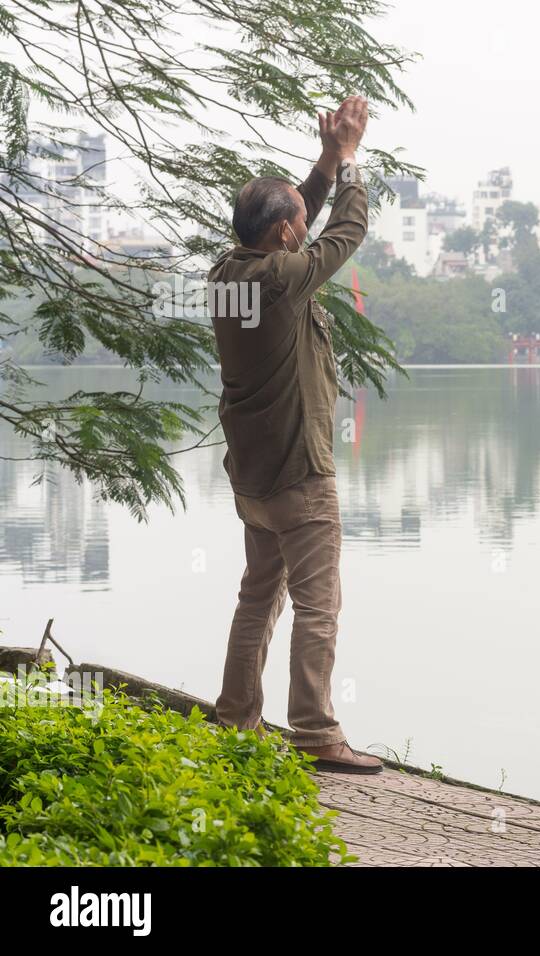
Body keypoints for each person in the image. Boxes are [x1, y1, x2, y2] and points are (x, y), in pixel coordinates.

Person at [207, 96, 380, 773]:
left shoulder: (228, 272)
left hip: (255, 478)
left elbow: (296, 210)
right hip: (300, 477)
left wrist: (326, 160)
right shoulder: (284, 278)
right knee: (319, 606)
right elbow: (345, 233)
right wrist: (353, 164)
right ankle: (314, 731)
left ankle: (235, 721)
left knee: (257, 597)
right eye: (298, 223)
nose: (307, 226)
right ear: (284, 236)